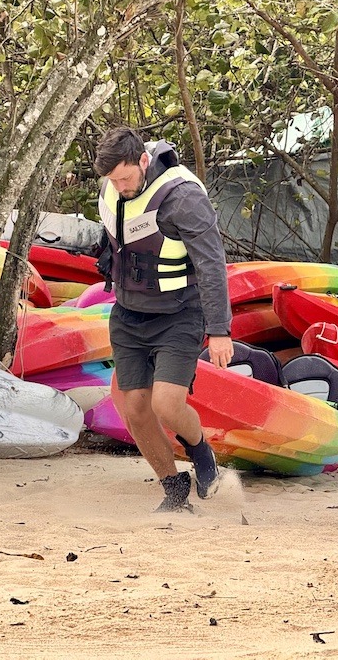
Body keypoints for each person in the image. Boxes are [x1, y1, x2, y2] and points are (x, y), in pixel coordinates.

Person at [94, 126, 234, 512]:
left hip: (179, 314)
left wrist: (220, 330)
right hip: (128, 314)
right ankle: (174, 490)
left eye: (125, 177)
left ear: (143, 161)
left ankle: (201, 452)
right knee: (135, 407)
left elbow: (211, 265)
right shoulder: (112, 188)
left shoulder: (183, 199)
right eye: (112, 179)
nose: (120, 186)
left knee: (167, 405)